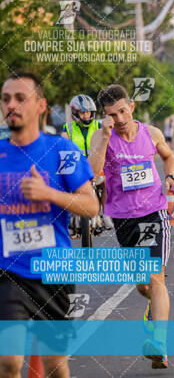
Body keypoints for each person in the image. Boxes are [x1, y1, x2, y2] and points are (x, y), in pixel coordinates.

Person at [0, 71, 99, 378]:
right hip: (8, 271)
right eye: (5, 99)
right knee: (9, 361)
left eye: (20, 98)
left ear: (41, 106)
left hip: (53, 269)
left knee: (55, 365)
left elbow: (91, 205)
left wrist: (48, 194)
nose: (11, 106)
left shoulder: (62, 151)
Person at [89, 84, 174, 369]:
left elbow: (168, 155)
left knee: (155, 278)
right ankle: (153, 311)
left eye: (123, 110)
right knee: (142, 285)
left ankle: (160, 344)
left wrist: (171, 176)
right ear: (106, 116)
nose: (120, 118)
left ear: (132, 107)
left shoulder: (150, 133)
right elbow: (93, 171)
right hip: (123, 219)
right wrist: (103, 137)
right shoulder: (103, 137)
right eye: (113, 115)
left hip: (153, 212)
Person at [63, 94, 114, 230]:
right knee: (65, 187)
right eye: (82, 112)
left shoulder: (99, 125)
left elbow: (109, 141)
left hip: (97, 166)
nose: (86, 115)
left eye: (88, 112)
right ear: (75, 113)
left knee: (105, 185)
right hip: (77, 167)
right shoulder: (68, 128)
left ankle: (107, 214)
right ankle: (69, 218)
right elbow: (62, 144)